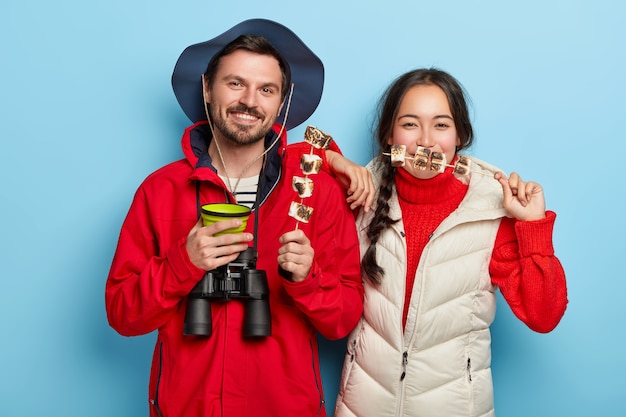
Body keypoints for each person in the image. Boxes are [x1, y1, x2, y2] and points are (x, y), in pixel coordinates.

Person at [105, 19, 366, 417]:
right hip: (187, 406)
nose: (249, 101)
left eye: (266, 89)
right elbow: (123, 314)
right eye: (235, 83)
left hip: (284, 406)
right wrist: (183, 264)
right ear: (208, 88)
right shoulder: (160, 191)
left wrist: (306, 280)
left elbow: (343, 321)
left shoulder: (318, 193)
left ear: (282, 102)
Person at [329, 68, 568, 417]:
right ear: (389, 136)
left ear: (460, 136)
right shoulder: (359, 195)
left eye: (441, 125)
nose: (426, 141)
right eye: (410, 124)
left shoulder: (492, 208)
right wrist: (335, 159)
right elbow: (294, 157)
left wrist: (532, 226)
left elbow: (544, 316)